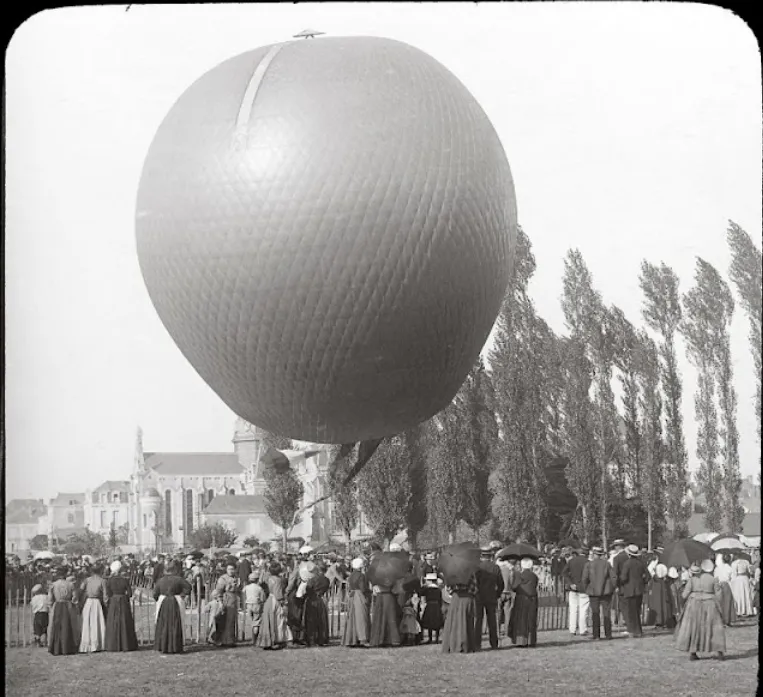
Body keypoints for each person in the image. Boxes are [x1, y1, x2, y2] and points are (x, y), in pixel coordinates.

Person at [674, 559, 725, 661]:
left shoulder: (693, 579)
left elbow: (684, 595)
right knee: (714, 627)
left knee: (694, 627)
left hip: (693, 603)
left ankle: (693, 652)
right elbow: (719, 595)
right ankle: (719, 651)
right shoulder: (714, 579)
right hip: (710, 603)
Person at [153, 560, 191, 654]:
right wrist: (182, 595)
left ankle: (163, 645)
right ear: (174, 570)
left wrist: (158, 598)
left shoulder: (160, 581)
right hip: (175, 602)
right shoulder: (179, 579)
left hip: (164, 602)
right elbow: (188, 587)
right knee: (176, 623)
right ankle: (175, 645)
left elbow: (155, 594)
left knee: (163, 623)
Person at [581, 546, 616, 640]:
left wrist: (586, 589)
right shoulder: (607, 564)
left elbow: (584, 579)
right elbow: (613, 577)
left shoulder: (589, 564)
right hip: (606, 591)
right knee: (606, 613)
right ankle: (608, 634)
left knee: (595, 613)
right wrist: (613, 588)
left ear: (594, 554)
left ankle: (596, 635)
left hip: (593, 592)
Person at [474, 546, 504, 651]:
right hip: (491, 596)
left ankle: (477, 644)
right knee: (492, 621)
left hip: (479, 596)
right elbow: (501, 584)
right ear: (490, 555)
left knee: (478, 621)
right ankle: (494, 643)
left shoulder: (477, 567)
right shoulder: (495, 567)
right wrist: (497, 594)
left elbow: (474, 582)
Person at [104, 561, 138, 652]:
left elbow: (108, 593)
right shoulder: (124, 580)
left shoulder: (109, 581)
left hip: (114, 601)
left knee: (113, 621)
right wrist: (124, 596)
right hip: (123, 601)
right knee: (124, 621)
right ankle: (126, 644)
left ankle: (113, 644)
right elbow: (130, 593)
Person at [441, 572, 477, 654]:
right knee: (466, 622)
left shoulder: (453, 574)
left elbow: (448, 589)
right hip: (467, 598)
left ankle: (452, 645)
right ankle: (466, 645)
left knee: (453, 622)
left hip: (456, 597)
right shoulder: (471, 574)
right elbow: (474, 589)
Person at [258, 562, 291, 650]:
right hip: (275, 601)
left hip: (269, 599)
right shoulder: (278, 580)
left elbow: (261, 582)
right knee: (277, 621)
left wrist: (262, 571)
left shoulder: (268, 578)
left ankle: (266, 641)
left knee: (267, 621)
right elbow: (278, 594)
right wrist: (283, 603)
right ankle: (275, 640)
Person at [507, 558, 539, 648]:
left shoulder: (519, 575)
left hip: (521, 598)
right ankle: (531, 640)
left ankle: (521, 641)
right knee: (531, 619)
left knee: (521, 619)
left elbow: (514, 587)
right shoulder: (534, 576)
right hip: (532, 599)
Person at [47, 568, 79, 655]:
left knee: (57, 626)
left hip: (57, 605)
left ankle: (56, 647)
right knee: (67, 625)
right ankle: (67, 647)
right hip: (68, 605)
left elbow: (50, 598)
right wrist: (75, 606)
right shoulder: (70, 584)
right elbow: (75, 597)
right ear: (65, 575)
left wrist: (50, 607)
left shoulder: (53, 585)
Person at [79, 563, 108, 653]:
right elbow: (105, 596)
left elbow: (80, 590)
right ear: (100, 571)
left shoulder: (87, 580)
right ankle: (97, 644)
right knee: (97, 623)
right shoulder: (102, 581)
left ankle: (87, 644)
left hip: (88, 602)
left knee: (87, 623)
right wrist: (107, 605)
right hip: (96, 602)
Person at [342, 558, 371, 648]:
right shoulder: (361, 576)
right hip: (359, 595)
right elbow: (363, 588)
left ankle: (352, 638)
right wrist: (369, 592)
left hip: (353, 596)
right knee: (362, 617)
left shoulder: (351, 575)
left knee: (352, 618)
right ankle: (362, 638)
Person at [564, 546, 589, 636]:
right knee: (583, 609)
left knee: (573, 609)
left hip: (573, 588)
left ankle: (572, 629)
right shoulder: (588, 562)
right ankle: (583, 629)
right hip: (584, 588)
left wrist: (570, 583)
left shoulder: (571, 561)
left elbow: (564, 573)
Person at [303, 563, 330, 647]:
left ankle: (312, 639)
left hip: (312, 600)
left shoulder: (312, 579)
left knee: (312, 620)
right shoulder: (326, 580)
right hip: (320, 600)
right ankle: (321, 639)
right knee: (321, 620)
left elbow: (308, 589)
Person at [214, 563, 241, 647]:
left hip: (233, 599)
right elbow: (219, 591)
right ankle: (225, 641)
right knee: (225, 621)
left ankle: (230, 639)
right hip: (226, 599)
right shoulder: (223, 579)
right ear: (226, 569)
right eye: (229, 569)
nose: (231, 571)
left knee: (231, 621)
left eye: (233, 569)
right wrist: (220, 602)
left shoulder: (236, 578)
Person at [369, 579, 401, 647]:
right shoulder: (391, 579)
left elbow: (374, 592)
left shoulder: (377, 579)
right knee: (391, 618)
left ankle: (378, 640)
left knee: (379, 618)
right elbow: (396, 590)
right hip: (389, 597)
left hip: (379, 597)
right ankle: (392, 640)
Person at [647, 563, 674, 630]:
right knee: (663, 607)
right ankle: (664, 622)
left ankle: (658, 622)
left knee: (657, 607)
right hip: (663, 597)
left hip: (655, 597)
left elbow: (650, 589)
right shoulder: (665, 582)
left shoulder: (654, 580)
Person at [420, 573, 444, 644]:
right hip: (436, 605)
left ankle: (430, 638)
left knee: (429, 622)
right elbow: (440, 599)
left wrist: (423, 585)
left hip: (430, 605)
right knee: (437, 622)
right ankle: (436, 638)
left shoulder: (427, 589)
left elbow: (421, 593)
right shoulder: (438, 589)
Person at [713, 553, 737, 626]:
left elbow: (715, 577)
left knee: (719, 603)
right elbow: (732, 577)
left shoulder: (717, 568)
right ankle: (727, 620)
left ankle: (720, 620)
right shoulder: (729, 568)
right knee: (727, 602)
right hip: (726, 584)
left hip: (718, 584)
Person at [244, 572, 266, 646]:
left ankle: (252, 639)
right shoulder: (259, 588)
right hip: (257, 604)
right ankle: (255, 640)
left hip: (248, 604)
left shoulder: (246, 587)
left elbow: (242, 593)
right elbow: (263, 598)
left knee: (251, 622)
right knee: (256, 622)